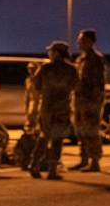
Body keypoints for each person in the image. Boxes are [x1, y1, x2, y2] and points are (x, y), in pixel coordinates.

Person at [28, 42, 79, 180]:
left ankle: (34, 165)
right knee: (57, 140)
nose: (49, 53)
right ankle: (52, 171)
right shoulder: (71, 69)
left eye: (51, 51)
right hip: (62, 109)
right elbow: (75, 86)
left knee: (43, 136)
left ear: (57, 53)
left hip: (47, 108)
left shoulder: (45, 68)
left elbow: (36, 85)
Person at [70, 29, 107, 172]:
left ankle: (95, 161)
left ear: (91, 42)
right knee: (80, 132)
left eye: (83, 40)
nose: (79, 43)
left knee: (91, 132)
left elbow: (99, 84)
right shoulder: (80, 60)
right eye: (79, 40)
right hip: (79, 103)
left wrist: (95, 104)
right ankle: (83, 159)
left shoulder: (96, 59)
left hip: (90, 103)